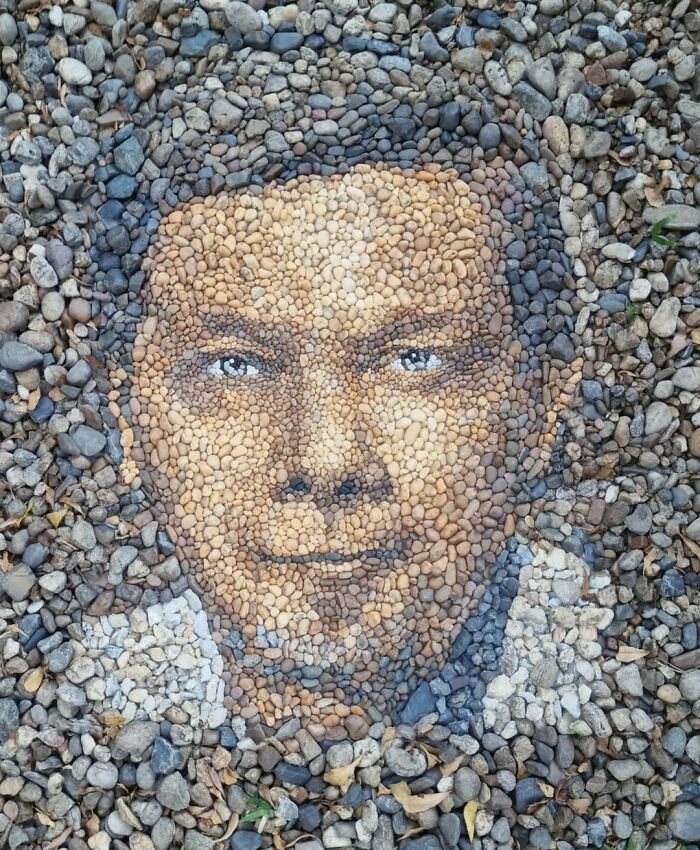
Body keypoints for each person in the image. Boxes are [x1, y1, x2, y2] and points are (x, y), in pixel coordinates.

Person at [112, 161, 580, 736]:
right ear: (129, 418)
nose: (327, 459)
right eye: (235, 367)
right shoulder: (84, 714)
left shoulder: (618, 665)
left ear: (540, 408)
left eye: (416, 359)